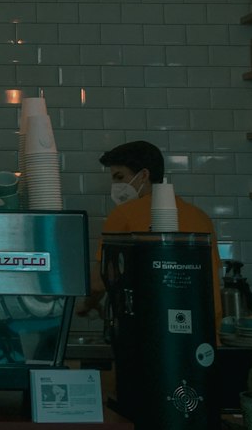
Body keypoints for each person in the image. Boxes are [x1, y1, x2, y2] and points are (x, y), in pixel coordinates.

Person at [84, 139, 221, 325]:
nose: (114, 186)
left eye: (119, 177)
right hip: (204, 332)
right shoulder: (201, 217)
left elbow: (98, 283)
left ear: (143, 175)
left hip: (151, 335)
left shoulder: (123, 214)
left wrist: (85, 305)